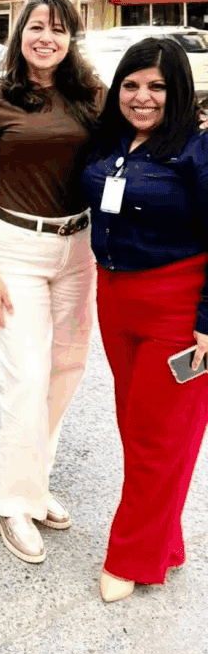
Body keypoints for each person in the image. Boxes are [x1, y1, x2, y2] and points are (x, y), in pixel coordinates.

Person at [0, 0, 105, 564]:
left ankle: (34, 484)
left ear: (72, 39)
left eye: (59, 30)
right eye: (37, 27)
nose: (46, 38)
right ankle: (12, 503)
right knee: (24, 378)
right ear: (20, 34)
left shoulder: (91, 97)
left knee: (67, 370)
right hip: (17, 248)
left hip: (80, 248)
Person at [81, 37, 208, 602]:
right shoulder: (113, 141)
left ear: (177, 89)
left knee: (160, 437)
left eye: (156, 86)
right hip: (115, 297)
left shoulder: (197, 151)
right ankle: (165, 540)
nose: (142, 96)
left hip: (178, 311)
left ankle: (131, 557)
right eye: (131, 84)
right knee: (138, 426)